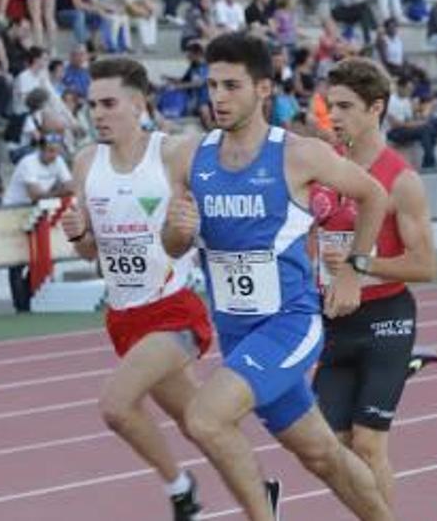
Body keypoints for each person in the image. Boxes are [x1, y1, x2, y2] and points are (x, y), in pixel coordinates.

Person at [161, 32, 393, 521]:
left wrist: (355, 270)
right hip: (237, 330)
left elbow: (373, 195)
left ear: (263, 89)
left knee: (205, 418)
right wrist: (177, 234)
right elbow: (173, 244)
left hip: (289, 323)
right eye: (212, 86)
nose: (218, 98)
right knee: (322, 455)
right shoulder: (189, 157)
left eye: (231, 86)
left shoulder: (298, 154)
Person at [57, 57, 212, 520]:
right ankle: (250, 488)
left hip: (172, 309)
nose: (97, 114)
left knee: (116, 406)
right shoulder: (86, 162)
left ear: (138, 104)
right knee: (202, 423)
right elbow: (92, 255)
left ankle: (181, 490)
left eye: (108, 104)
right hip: (123, 317)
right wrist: (77, 233)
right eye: (91, 105)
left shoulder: (172, 153)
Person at [309, 57, 437, 507]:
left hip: (385, 318)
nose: (336, 115)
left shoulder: (401, 181)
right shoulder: (323, 170)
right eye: (331, 105)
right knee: (333, 448)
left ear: (376, 108)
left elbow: (425, 266)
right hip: (333, 321)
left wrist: (360, 264)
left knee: (368, 445)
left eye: (345, 106)